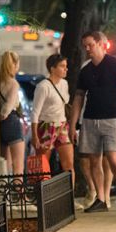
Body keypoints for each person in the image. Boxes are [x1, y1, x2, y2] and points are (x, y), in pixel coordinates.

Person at [70, 30, 116, 213]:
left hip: (112, 117)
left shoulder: (115, 65)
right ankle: (101, 198)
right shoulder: (85, 71)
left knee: (112, 156)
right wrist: (72, 124)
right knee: (94, 160)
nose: (87, 49)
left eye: (90, 45)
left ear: (101, 44)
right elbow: (78, 98)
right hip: (91, 119)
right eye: (85, 46)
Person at [31, 54, 78, 206]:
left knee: (69, 164)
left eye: (66, 66)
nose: (66, 69)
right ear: (53, 68)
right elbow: (35, 112)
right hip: (47, 126)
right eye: (62, 66)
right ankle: (44, 200)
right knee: (43, 165)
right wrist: (34, 135)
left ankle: (69, 199)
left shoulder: (64, 84)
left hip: (62, 125)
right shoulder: (43, 86)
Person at [0, 50, 26, 175]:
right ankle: (19, 193)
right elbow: (8, 106)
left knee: (5, 164)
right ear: (14, 64)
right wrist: (4, 114)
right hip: (11, 122)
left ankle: (5, 192)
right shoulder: (13, 83)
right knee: (18, 164)